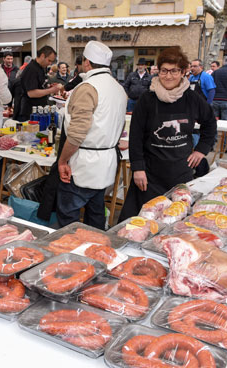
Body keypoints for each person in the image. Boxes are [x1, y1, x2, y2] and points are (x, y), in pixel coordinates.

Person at [119, 46, 217, 221]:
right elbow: (136, 136)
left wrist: (201, 150)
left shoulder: (192, 99)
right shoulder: (147, 99)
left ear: (183, 72)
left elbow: (210, 123)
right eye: (164, 70)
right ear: (158, 71)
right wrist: (138, 168)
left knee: (174, 222)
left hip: (180, 173)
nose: (169, 76)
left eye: (174, 71)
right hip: (149, 175)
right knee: (142, 222)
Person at [54, 41, 127, 229]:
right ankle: (94, 251)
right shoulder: (118, 88)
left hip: (83, 163)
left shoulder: (88, 88)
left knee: (68, 220)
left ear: (86, 63)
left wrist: (62, 161)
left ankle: (70, 254)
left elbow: (77, 134)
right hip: (106, 163)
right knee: (95, 215)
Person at [18, 46, 61, 121]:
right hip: (30, 113)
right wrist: (51, 90)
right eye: (49, 60)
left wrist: (48, 86)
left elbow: (40, 85)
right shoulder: (31, 69)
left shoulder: (41, 67)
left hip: (40, 110)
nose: (50, 63)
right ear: (42, 56)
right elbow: (31, 93)